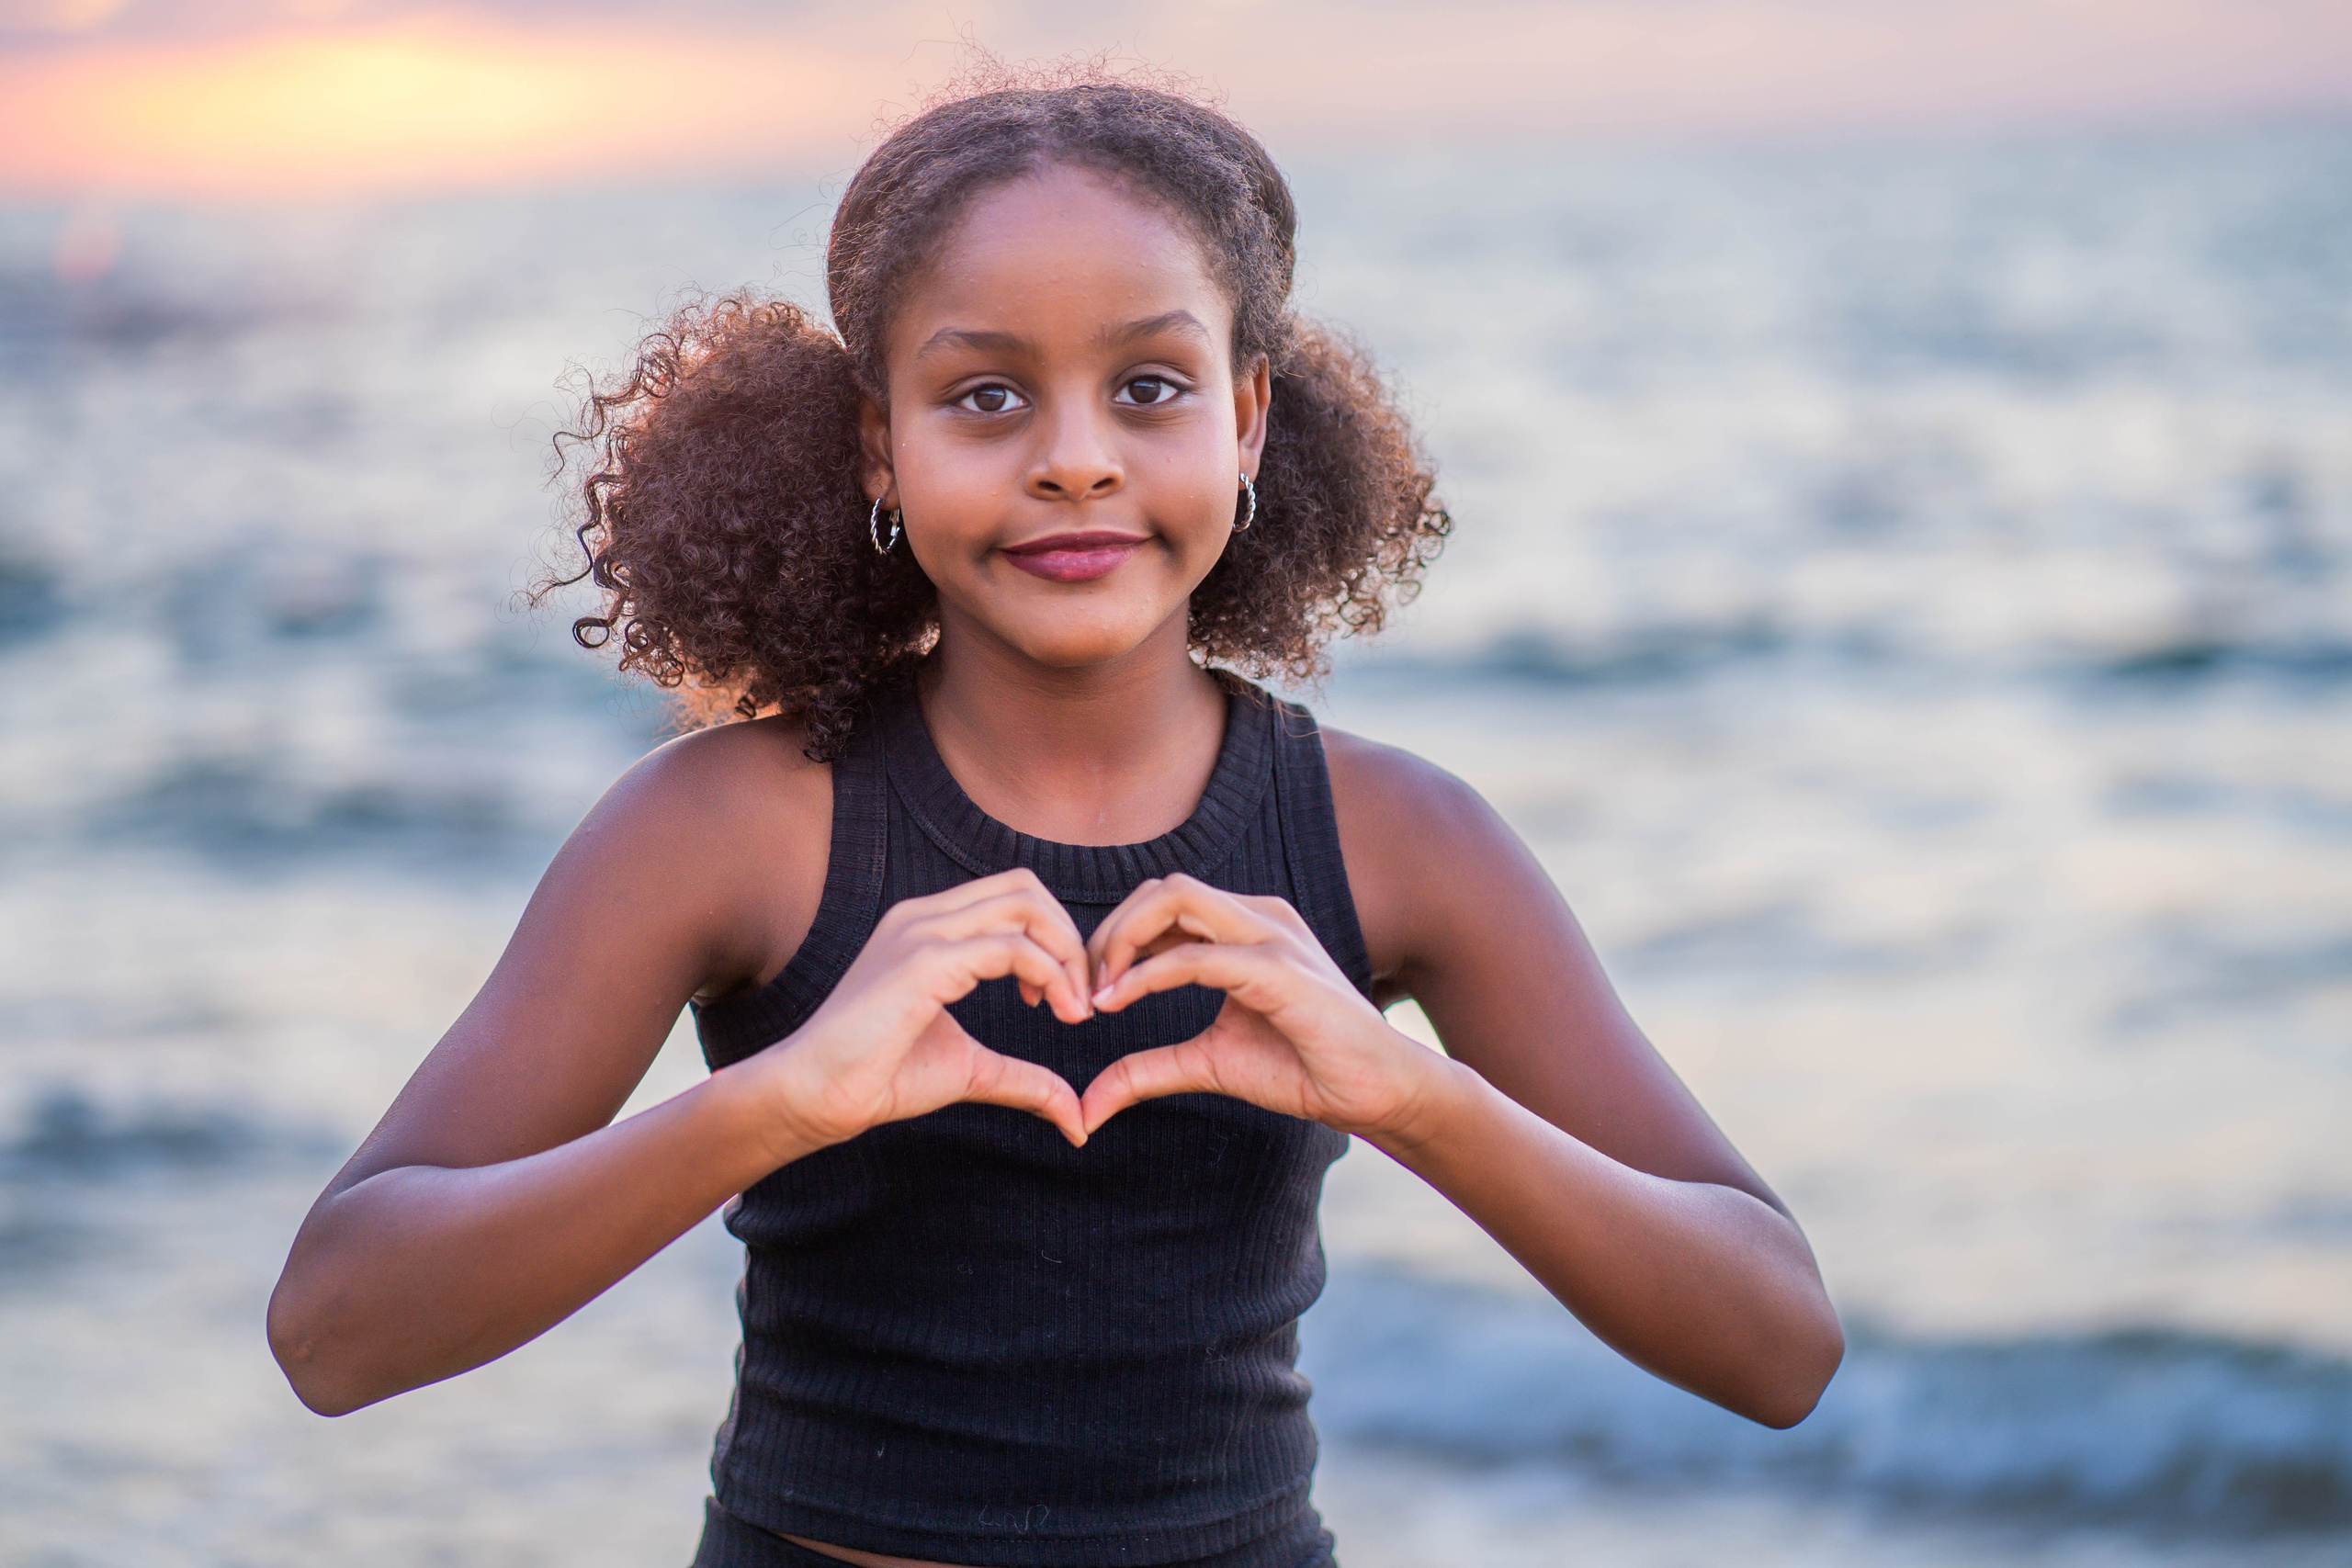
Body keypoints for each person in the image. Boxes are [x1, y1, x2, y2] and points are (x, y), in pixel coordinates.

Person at [266, 76, 1843, 1568]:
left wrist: (1408, 1096)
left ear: (1244, 417)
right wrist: (782, 1101)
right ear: (882, 443)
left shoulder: (1400, 839)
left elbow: (1775, 1345)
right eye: (987, 395)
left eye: (1147, 387)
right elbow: (339, 1329)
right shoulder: (726, 828)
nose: (1075, 456)